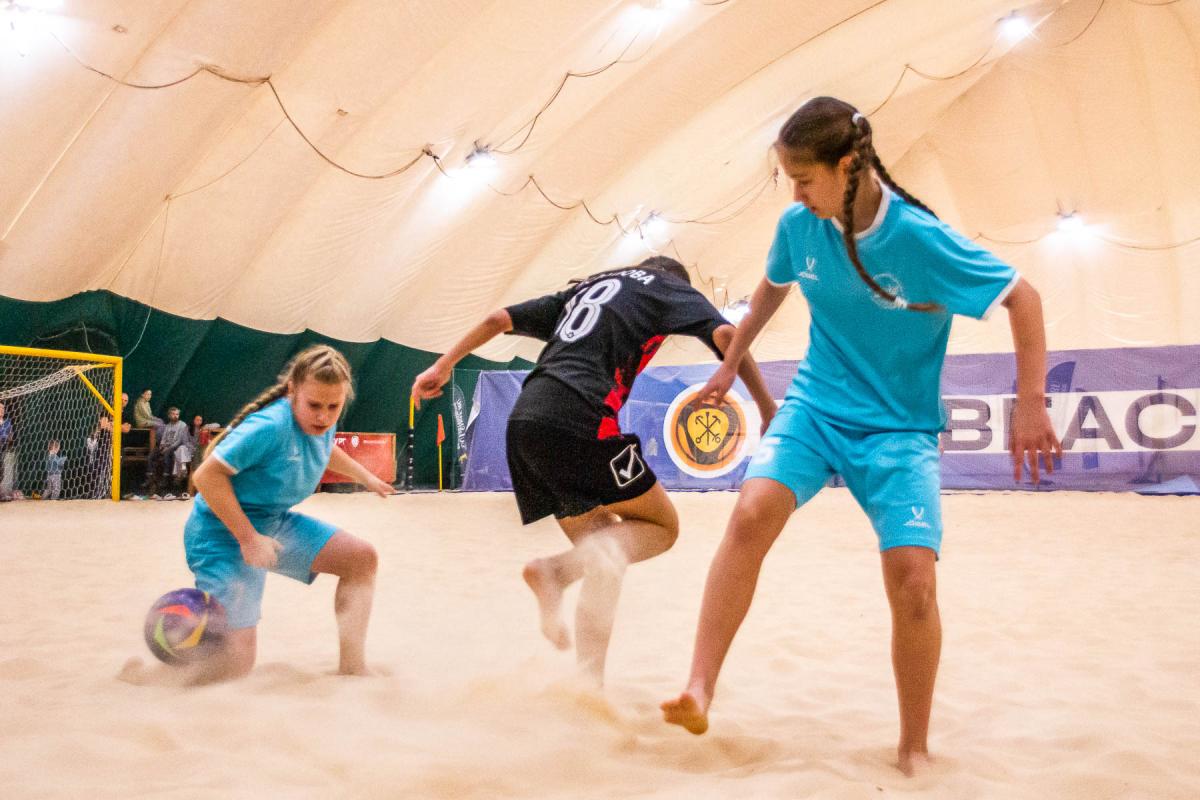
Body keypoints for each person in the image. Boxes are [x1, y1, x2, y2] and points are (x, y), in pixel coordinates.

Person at [660, 97, 1063, 775]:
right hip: (817, 406)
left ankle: (913, 748)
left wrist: (1031, 404)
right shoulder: (800, 226)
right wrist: (731, 361)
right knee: (751, 513)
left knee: (914, 581)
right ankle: (699, 686)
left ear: (848, 167)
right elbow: (771, 289)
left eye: (804, 179)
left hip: (899, 428)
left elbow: (1024, 297)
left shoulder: (920, 240)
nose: (795, 195)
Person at [411, 256, 776, 684]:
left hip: (525, 423)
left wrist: (442, 365)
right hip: (581, 418)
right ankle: (555, 572)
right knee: (662, 527)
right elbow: (729, 336)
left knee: (605, 555)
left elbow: (498, 319)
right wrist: (767, 407)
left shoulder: (586, 289)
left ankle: (589, 683)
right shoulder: (665, 285)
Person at [181, 345, 392, 683]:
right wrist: (249, 539)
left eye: (333, 407)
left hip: (271, 523)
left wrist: (364, 476)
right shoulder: (270, 426)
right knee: (236, 665)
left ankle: (353, 669)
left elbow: (325, 447)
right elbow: (205, 476)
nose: (323, 417)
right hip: (221, 532)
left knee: (361, 559)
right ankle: (168, 663)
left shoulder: (319, 422)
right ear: (292, 390)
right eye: (314, 405)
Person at [149, 406, 188, 499]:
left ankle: (166, 477)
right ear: (169, 415)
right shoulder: (167, 426)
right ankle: (150, 476)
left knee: (167, 455)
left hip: (176, 447)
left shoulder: (183, 425)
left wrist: (168, 448)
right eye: (173, 414)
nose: (175, 416)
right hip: (166, 446)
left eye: (177, 414)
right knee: (153, 454)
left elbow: (179, 440)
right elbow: (163, 438)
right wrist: (162, 446)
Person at [0, 401, 13, 501]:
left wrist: (9, 437)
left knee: (1, 471)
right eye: (0, 408)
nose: (2, 410)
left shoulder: (7, 422)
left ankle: (1, 494)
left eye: (3, 408)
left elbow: (10, 436)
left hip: (2, 448)